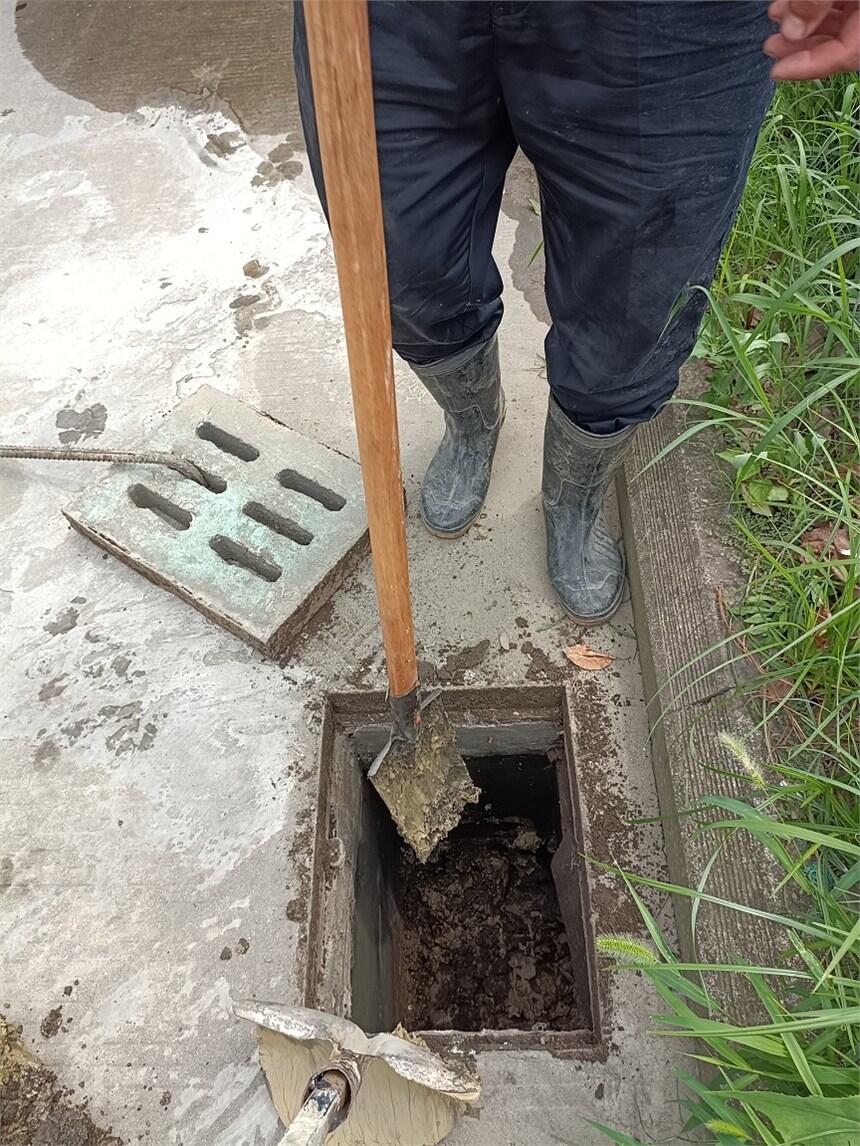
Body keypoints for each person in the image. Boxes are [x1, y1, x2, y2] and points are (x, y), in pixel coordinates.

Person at [293, 0, 859, 625]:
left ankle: (572, 498)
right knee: (400, 265)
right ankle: (473, 420)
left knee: (632, 321)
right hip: (394, 15)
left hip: (669, 22)